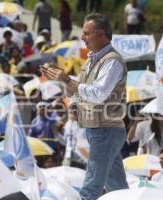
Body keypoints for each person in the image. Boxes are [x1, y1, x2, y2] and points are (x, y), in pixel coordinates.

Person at [42, 13, 129, 200]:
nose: (82, 38)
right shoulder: (92, 60)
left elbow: (97, 94)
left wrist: (66, 79)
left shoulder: (112, 61)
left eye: (86, 33)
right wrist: (60, 79)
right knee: (118, 189)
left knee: (90, 189)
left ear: (101, 34)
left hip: (106, 130)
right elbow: (76, 91)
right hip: (99, 130)